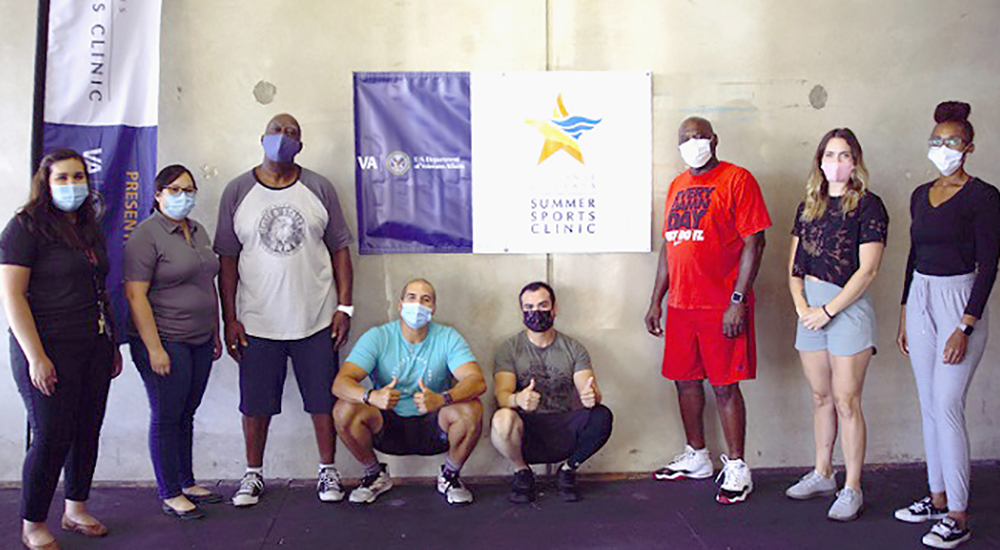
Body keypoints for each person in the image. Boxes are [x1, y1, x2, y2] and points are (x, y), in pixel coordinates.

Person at [214, 114, 354, 507]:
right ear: (262, 138)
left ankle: (327, 470)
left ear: (301, 145)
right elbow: (227, 257)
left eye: (292, 133)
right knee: (255, 404)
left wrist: (344, 306)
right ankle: (253, 474)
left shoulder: (319, 188)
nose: (283, 138)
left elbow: (341, 248)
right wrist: (230, 318)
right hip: (258, 321)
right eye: (276, 130)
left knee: (323, 400)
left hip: (317, 318)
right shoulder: (237, 191)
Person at [0, 149, 123, 549]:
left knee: (87, 428)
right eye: (63, 178)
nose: (72, 185)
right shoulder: (25, 227)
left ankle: (75, 509)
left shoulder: (87, 226)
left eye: (78, 177)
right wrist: (36, 356)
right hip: (46, 348)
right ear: (45, 183)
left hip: (94, 345)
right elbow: (13, 297)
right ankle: (33, 524)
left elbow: (98, 287)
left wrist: (112, 343)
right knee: (52, 433)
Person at [644, 117, 771, 505]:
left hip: (721, 306)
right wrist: (656, 299)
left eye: (699, 136)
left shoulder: (737, 179)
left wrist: (737, 300)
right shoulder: (678, 185)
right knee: (684, 381)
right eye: (685, 138)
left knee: (724, 386)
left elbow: (755, 242)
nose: (693, 143)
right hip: (682, 305)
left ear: (714, 140)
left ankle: (736, 466)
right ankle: (697, 455)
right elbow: (670, 246)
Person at [895, 101, 1000, 549]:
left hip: (960, 298)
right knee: (928, 403)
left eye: (951, 141)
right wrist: (904, 310)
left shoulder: (984, 196)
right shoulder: (921, 194)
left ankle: (958, 513)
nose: (942, 147)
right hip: (921, 297)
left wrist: (966, 324)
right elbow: (914, 255)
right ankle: (938, 498)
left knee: (948, 402)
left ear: (969, 147)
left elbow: (990, 263)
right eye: (936, 140)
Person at [785, 129, 888, 521]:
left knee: (847, 401)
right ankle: (823, 472)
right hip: (808, 310)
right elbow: (794, 268)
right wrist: (802, 306)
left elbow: (868, 270)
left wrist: (828, 311)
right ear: (820, 161)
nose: (837, 163)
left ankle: (852, 487)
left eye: (845, 156)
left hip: (846, 309)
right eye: (830, 155)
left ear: (855, 161)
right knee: (820, 397)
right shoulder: (808, 205)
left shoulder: (868, 206)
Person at [124, 165, 223, 520]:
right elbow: (135, 296)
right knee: (166, 415)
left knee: (187, 412)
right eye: (176, 189)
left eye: (190, 189)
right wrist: (154, 349)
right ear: (158, 193)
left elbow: (206, 283)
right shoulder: (145, 236)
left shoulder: (197, 230)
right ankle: (169, 492)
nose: (184, 196)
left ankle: (186, 481)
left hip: (199, 339)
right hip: (165, 339)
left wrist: (216, 331)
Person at [332, 279, 485, 506]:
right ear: (400, 305)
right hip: (386, 424)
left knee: (472, 409)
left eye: (426, 299)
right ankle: (375, 475)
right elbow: (340, 384)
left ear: (433, 308)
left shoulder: (447, 337)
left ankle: (450, 476)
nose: (418, 304)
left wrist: (442, 398)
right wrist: (371, 396)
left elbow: (477, 381)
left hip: (434, 424)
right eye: (412, 297)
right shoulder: (378, 336)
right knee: (344, 410)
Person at [490, 281, 613, 503]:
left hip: (562, 426)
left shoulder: (574, 348)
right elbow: (501, 396)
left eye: (542, 305)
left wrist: (591, 397)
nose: (535, 312)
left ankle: (567, 470)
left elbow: (589, 388)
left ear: (554, 309)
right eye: (528, 308)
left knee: (601, 415)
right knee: (502, 417)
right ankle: (522, 472)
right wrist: (518, 399)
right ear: (522, 312)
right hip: (526, 429)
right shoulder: (509, 348)